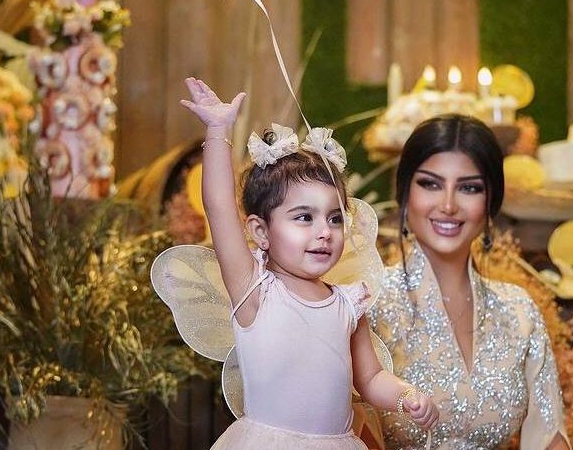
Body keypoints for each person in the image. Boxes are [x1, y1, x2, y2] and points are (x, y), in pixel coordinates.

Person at [180, 77, 439, 449]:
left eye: (334, 218)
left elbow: (370, 379)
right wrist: (218, 130)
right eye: (304, 217)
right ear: (261, 231)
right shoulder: (254, 290)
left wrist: (406, 395)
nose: (324, 232)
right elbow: (219, 206)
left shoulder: (349, 303)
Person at [370, 114, 571, 450]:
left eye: (469, 188)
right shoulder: (366, 304)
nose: (448, 205)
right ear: (404, 194)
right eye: (430, 184)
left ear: (490, 202)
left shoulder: (518, 312)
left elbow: (549, 437)